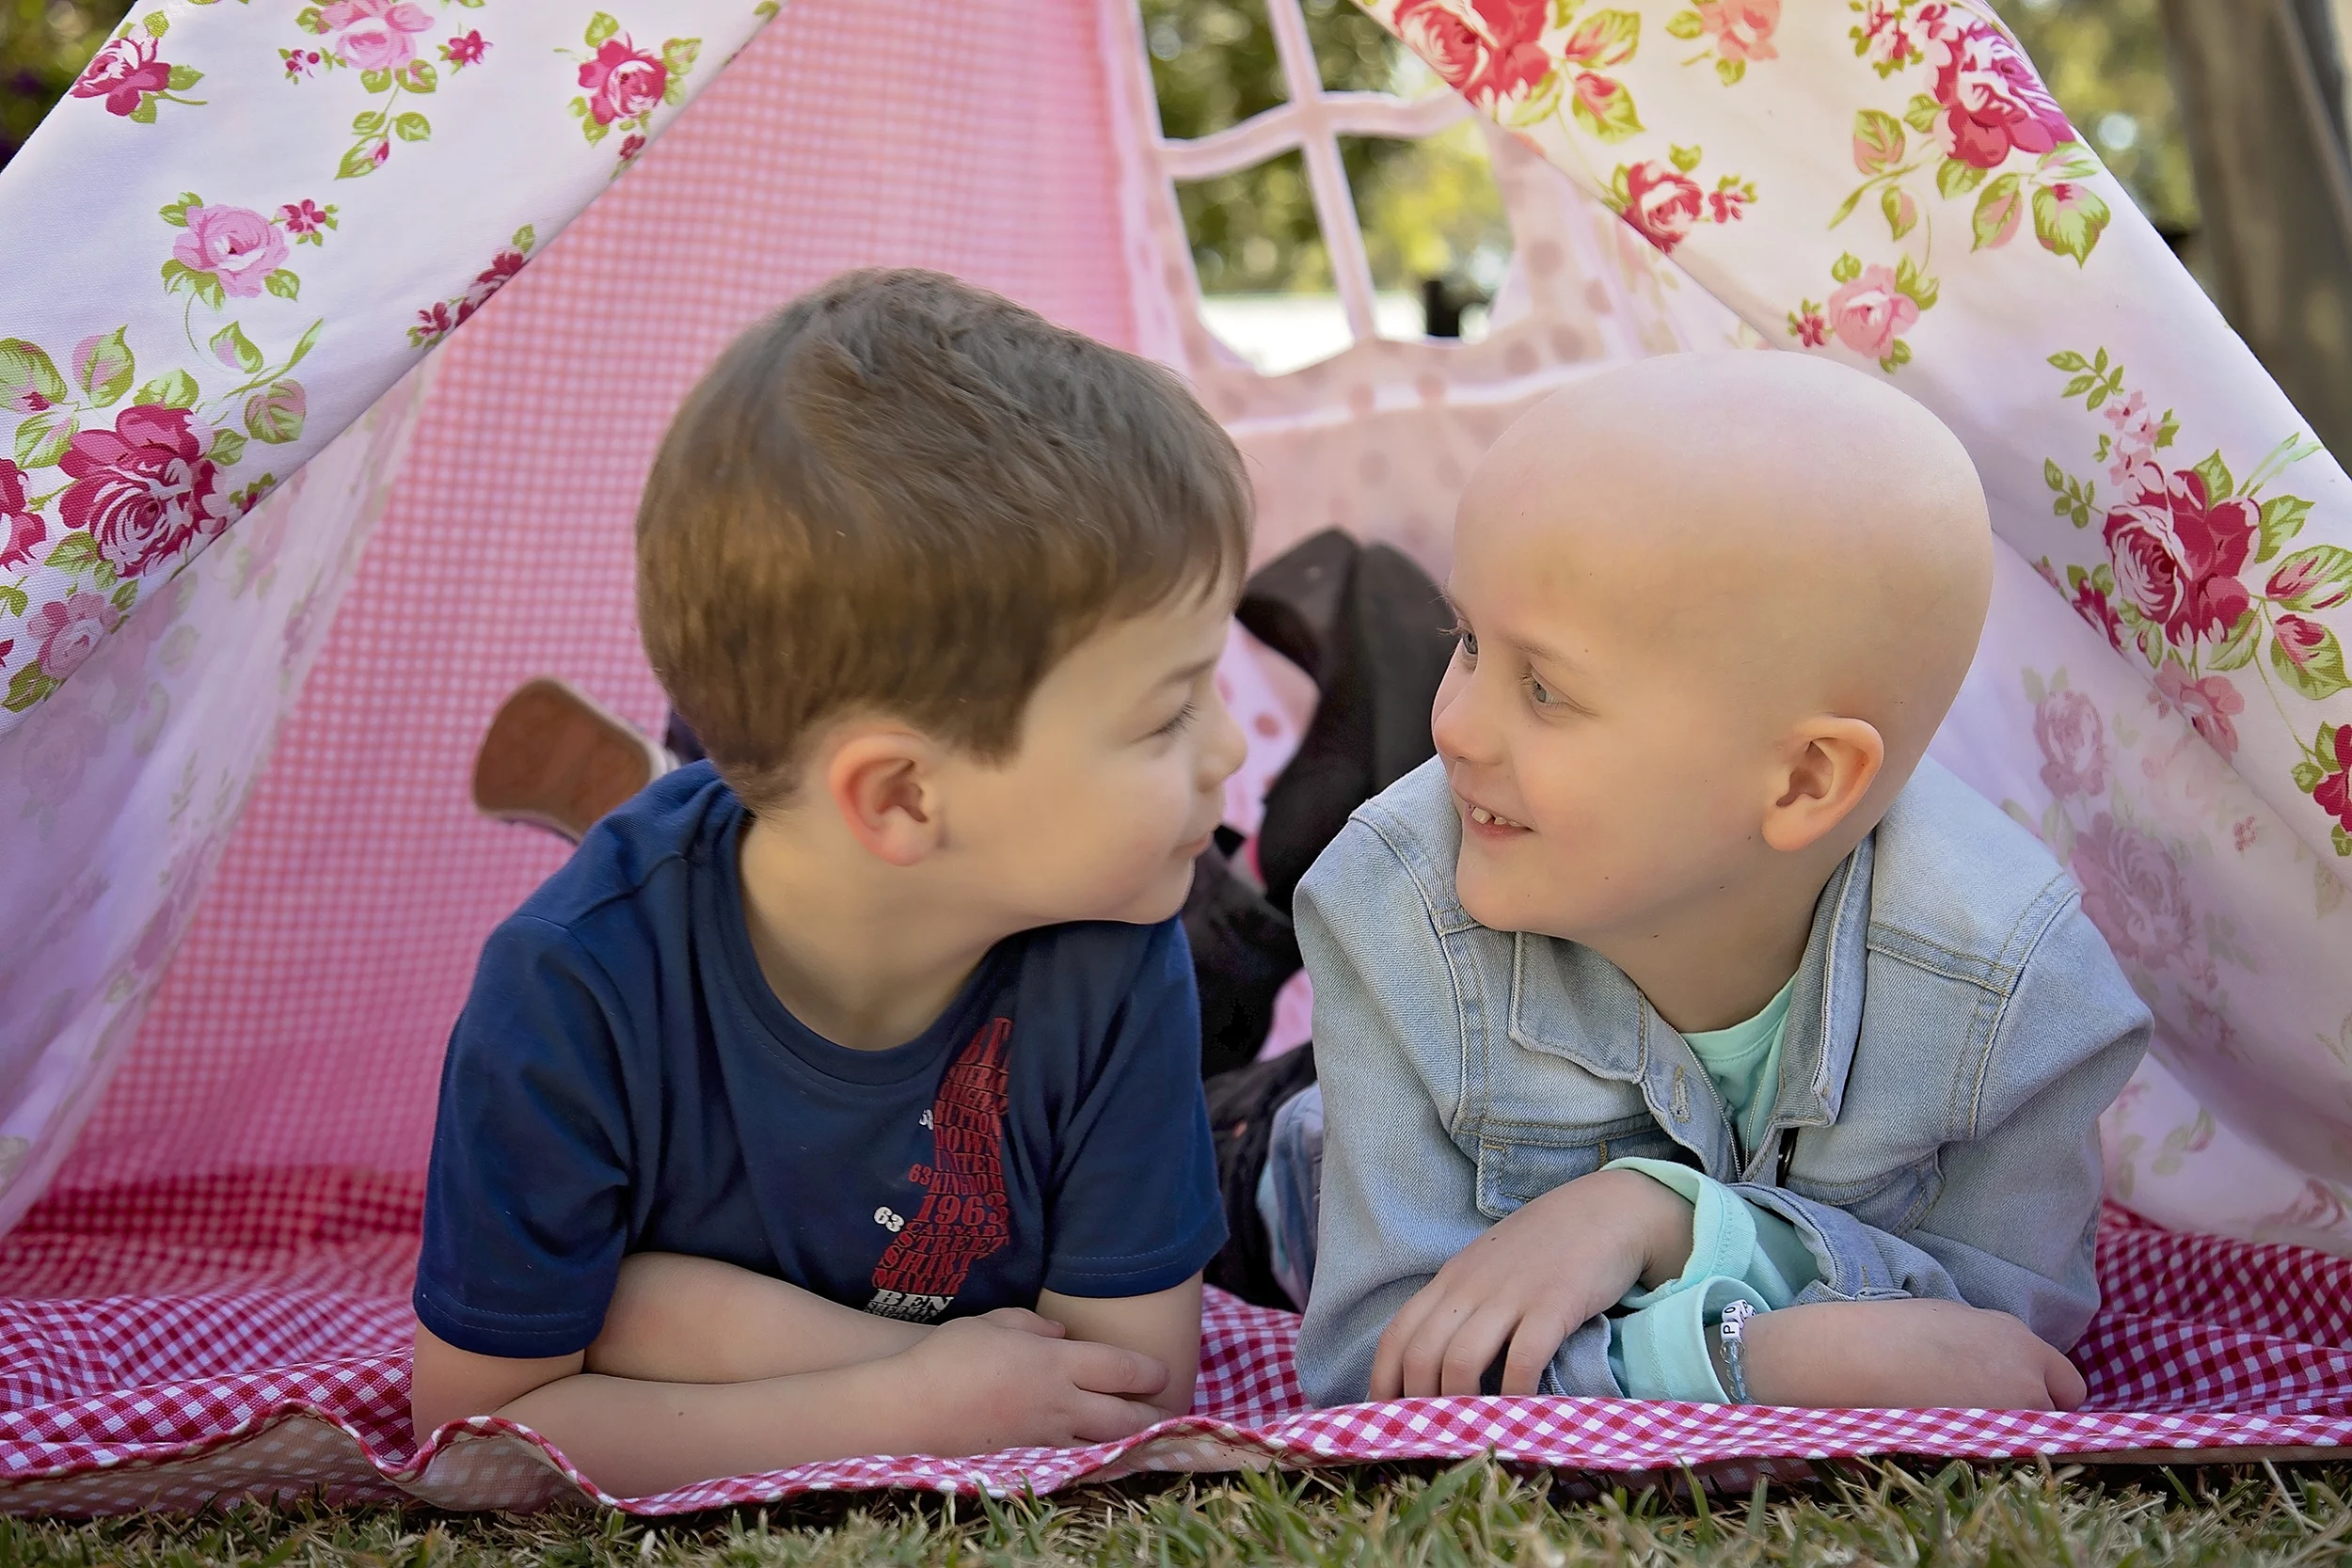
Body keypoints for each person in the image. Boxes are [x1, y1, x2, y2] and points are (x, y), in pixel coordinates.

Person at [408, 269, 1253, 1497]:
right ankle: (643, 787)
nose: (1231, 748)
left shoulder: (1114, 945)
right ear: (908, 795)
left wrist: (658, 1316)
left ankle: (648, 773)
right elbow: (481, 1428)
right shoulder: (566, 991)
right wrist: (910, 1397)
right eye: (1171, 709)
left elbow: (1120, 1383)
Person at [1285, 352, 2153, 1411]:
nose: (1455, 722)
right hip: (1287, 1166)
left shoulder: (2017, 987)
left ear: (1802, 780)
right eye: (1464, 640)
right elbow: (1380, 1368)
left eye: (1546, 687)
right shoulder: (1388, 905)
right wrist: (1749, 1362)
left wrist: (1667, 1217)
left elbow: (1989, 1345)